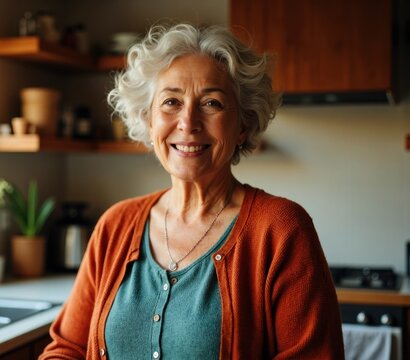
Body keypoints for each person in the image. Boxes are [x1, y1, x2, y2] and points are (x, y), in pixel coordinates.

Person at [40, 23, 344, 359]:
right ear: (148, 119)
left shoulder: (281, 229)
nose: (188, 122)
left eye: (212, 103)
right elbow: (68, 348)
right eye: (171, 101)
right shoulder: (116, 224)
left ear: (242, 124)